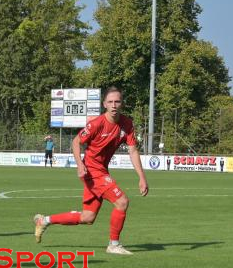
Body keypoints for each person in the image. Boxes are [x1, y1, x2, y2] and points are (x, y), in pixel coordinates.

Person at [34, 87, 149, 255]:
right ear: (104, 104)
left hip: (102, 170)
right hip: (92, 171)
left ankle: (44, 220)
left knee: (88, 217)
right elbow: (75, 142)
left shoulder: (127, 124)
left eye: (117, 101)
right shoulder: (96, 124)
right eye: (110, 102)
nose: (114, 105)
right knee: (122, 202)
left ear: (122, 103)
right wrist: (80, 164)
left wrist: (142, 177)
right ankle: (114, 244)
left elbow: (133, 151)